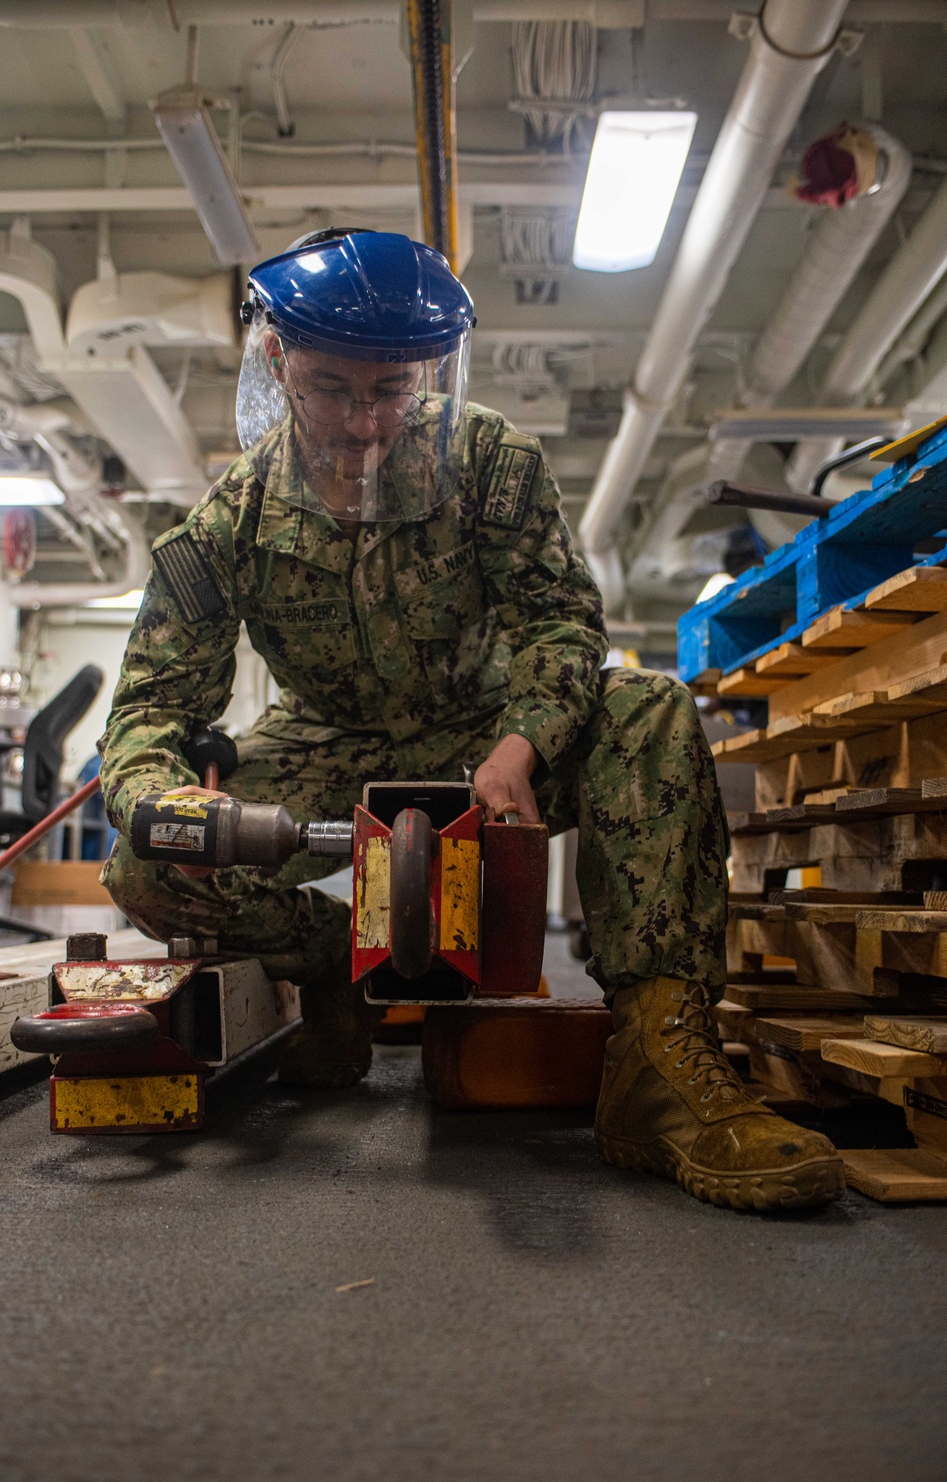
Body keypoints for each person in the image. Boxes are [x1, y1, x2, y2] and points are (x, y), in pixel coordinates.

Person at [99, 229, 843, 1212]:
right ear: (277, 357)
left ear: (429, 370)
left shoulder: (489, 462)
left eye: (392, 389)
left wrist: (522, 739)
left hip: (482, 724)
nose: (365, 423)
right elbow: (152, 705)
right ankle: (326, 956)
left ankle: (659, 1066)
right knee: (143, 861)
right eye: (332, 388)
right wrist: (160, 799)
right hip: (328, 742)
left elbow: (562, 628)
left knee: (648, 710)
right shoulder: (225, 526)